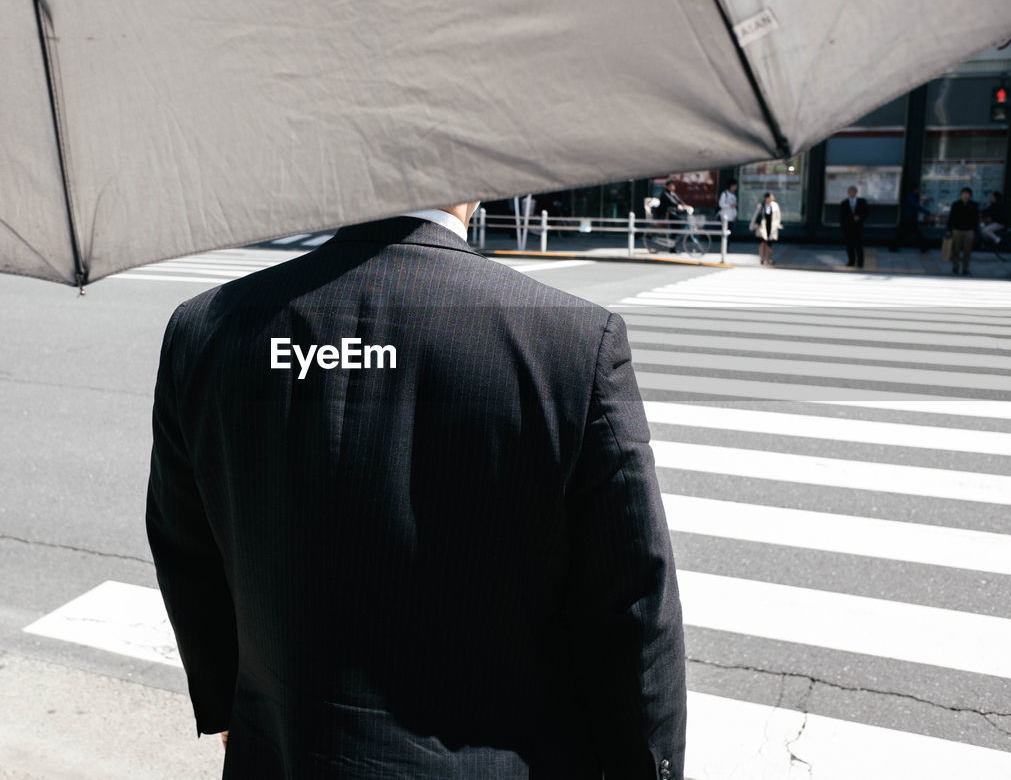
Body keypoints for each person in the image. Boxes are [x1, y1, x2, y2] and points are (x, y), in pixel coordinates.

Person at [146, 205, 687, 778]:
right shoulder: (571, 342)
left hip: (283, 754)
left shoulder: (206, 329)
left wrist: (230, 706)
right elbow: (634, 608)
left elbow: (184, 547)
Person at [948, 187, 980, 274]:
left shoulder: (974, 205)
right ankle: (955, 267)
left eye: (967, 194)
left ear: (970, 195)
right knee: (956, 250)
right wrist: (949, 229)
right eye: (964, 193)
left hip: (969, 230)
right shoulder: (956, 204)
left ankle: (965, 268)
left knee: (967, 250)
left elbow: (976, 218)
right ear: (961, 194)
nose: (965, 195)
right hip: (957, 230)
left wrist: (975, 230)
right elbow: (951, 217)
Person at [890, 184, 930, 253]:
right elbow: (917, 206)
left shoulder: (910, 197)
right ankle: (923, 247)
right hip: (909, 219)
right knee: (917, 233)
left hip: (908, 219)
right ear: (914, 190)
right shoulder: (911, 198)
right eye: (917, 190)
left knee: (904, 234)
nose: (918, 191)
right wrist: (927, 212)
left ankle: (894, 247)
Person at [657, 180, 692, 253]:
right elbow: (671, 201)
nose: (673, 187)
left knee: (677, 228)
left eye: (674, 185)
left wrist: (685, 206)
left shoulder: (672, 194)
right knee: (675, 229)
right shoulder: (665, 194)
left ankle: (673, 246)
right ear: (668, 186)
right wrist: (678, 205)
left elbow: (679, 200)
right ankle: (672, 247)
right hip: (666, 214)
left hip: (673, 213)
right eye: (672, 185)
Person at [838, 185, 868, 267]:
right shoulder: (844, 203)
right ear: (848, 193)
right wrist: (843, 227)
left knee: (859, 246)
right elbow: (841, 217)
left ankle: (860, 262)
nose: (851, 193)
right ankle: (851, 261)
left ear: (856, 192)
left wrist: (859, 217)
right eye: (850, 191)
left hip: (858, 228)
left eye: (853, 191)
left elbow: (866, 212)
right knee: (849, 246)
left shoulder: (862, 202)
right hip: (848, 228)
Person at [751, 191, 781, 265]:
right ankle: (762, 259)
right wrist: (752, 225)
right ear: (767, 198)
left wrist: (778, 224)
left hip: (772, 227)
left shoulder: (775, 205)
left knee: (769, 244)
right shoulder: (761, 205)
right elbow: (755, 216)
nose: (772, 197)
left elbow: (778, 216)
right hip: (762, 226)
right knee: (762, 242)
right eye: (771, 196)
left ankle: (768, 259)